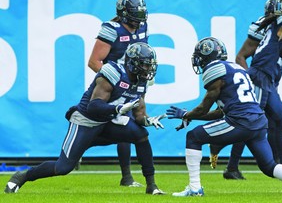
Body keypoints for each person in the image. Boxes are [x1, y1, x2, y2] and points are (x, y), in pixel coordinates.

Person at [4, 42, 166, 195]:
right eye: (144, 64)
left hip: (107, 122)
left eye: (149, 65)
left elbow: (139, 114)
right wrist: (118, 108)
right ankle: (22, 176)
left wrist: (147, 120)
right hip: (85, 121)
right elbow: (93, 107)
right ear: (132, 63)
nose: (147, 69)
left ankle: (151, 186)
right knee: (63, 167)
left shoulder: (142, 82)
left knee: (141, 134)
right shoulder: (113, 73)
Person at [166, 37, 282, 197]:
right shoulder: (235, 67)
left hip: (241, 121)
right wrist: (190, 116)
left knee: (193, 136)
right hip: (258, 121)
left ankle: (195, 189)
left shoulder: (214, 69)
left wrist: (186, 114)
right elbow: (218, 112)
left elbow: (204, 108)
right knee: (269, 167)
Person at [209, 0, 282, 180]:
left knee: (281, 118)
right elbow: (241, 56)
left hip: (269, 81)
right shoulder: (279, 23)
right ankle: (232, 167)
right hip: (259, 77)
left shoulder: (277, 23)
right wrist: (246, 80)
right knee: (250, 122)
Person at [80, 0, 150, 187]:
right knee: (107, 123)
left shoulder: (143, 25)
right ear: (124, 13)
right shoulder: (112, 29)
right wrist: (116, 81)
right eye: (135, 14)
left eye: (140, 14)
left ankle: (126, 177)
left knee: (128, 125)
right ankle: (79, 147)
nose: (139, 19)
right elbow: (94, 62)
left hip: (135, 82)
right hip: (112, 85)